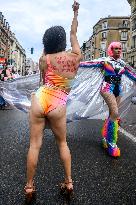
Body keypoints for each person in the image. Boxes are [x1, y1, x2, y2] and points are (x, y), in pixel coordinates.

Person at [24, 1, 81, 200]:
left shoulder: (44, 58)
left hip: (41, 98)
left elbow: (42, 78)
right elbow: (74, 34)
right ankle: (69, 182)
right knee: (63, 143)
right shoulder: (75, 56)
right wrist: (75, 13)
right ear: (64, 41)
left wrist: (45, 49)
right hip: (58, 101)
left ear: (46, 42)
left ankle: (29, 187)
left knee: (34, 145)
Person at [79, 41, 136, 157]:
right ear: (111, 49)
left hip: (117, 90)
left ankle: (106, 138)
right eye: (116, 48)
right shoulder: (104, 61)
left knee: (112, 114)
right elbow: (87, 64)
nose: (119, 50)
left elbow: (132, 75)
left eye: (120, 48)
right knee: (115, 113)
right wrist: (72, 63)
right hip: (107, 88)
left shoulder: (122, 64)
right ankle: (111, 143)